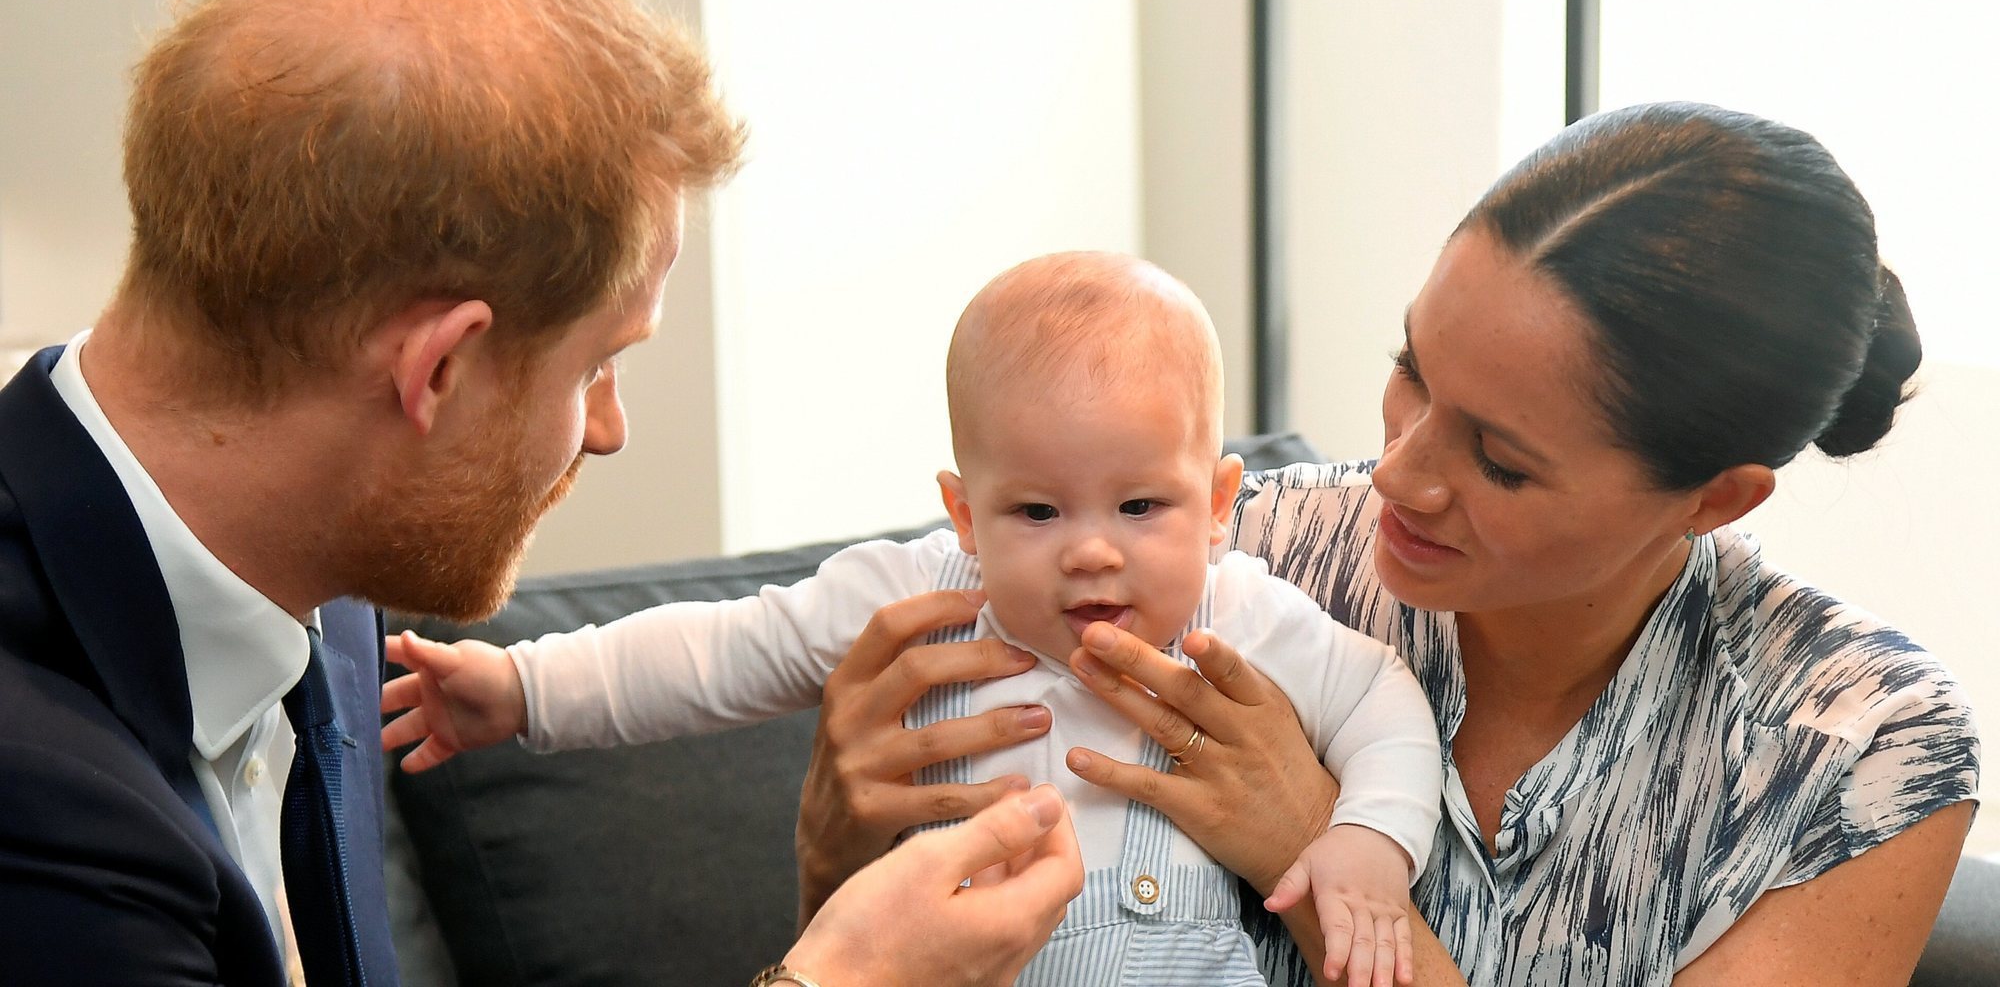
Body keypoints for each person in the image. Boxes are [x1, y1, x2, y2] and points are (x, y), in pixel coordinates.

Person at [0, 0, 1081, 984]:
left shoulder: (322, 582)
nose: (607, 429)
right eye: (598, 363)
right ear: (438, 370)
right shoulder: (44, 815)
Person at [790, 102, 1983, 986]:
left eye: (1498, 459)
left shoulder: (1860, 753)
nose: (1397, 471)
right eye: (1409, 368)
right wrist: (838, 838)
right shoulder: (1218, 551)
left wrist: (1311, 848)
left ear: (1713, 499)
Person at [381, 250, 1445, 987]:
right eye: (1034, 510)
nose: (1090, 548)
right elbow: (716, 649)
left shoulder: (1240, 613)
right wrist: (522, 690)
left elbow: (1382, 706)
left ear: (1217, 504)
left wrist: (1363, 842)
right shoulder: (916, 596)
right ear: (961, 512)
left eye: (1140, 506)